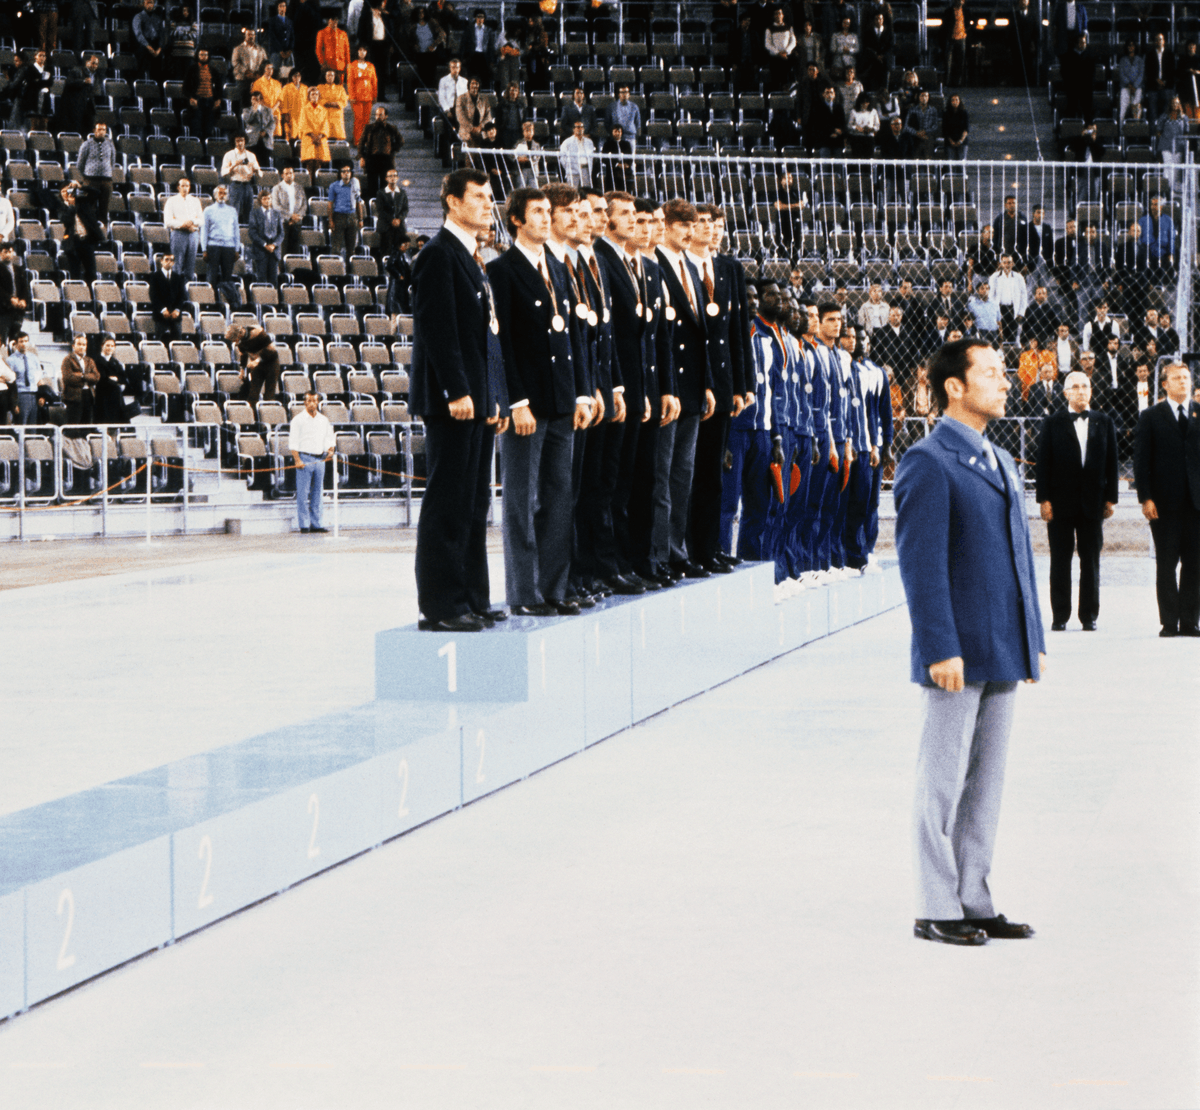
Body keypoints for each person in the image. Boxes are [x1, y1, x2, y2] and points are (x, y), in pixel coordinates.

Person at [894, 337, 1045, 947]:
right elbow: (920, 566)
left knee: (987, 780)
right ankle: (935, 904)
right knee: (942, 778)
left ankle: (974, 897)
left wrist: (1030, 638)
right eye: (989, 373)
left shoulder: (1000, 460)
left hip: (1002, 642)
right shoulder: (929, 461)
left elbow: (1018, 559)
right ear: (954, 386)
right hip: (956, 649)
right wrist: (938, 646)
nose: (1004, 382)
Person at [412, 167, 510, 632]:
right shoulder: (438, 255)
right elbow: (438, 330)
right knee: (448, 501)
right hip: (454, 399)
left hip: (477, 397)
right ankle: (441, 604)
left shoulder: (474, 256)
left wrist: (494, 397)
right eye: (478, 196)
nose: (488, 203)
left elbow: (486, 337)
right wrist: (458, 390)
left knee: (474, 502)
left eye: (490, 196)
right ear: (452, 202)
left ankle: (472, 595)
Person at [489, 187, 590, 616]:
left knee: (557, 497)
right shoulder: (503, 270)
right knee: (522, 500)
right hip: (527, 405)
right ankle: (524, 592)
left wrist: (581, 393)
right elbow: (503, 343)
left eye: (550, 212)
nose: (547, 218)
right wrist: (516, 401)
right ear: (516, 219)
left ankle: (554, 587)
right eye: (538, 212)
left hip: (561, 400)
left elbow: (571, 338)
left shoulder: (558, 268)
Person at [1036, 369, 1118, 631]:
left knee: (1090, 559)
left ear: (1091, 391)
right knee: (1060, 559)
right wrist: (1044, 499)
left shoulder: (1104, 422)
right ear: (1065, 393)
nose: (1081, 391)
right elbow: (1043, 463)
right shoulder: (1052, 422)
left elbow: (1112, 464)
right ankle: (1060, 615)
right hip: (1060, 502)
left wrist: (1111, 498)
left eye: (1085, 386)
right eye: (1076, 387)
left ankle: (1089, 615)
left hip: (1093, 502)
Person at [1134, 362, 1200, 637]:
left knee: (1195, 564)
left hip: (1196, 504)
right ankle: (1169, 622)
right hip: (1164, 503)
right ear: (1164, 384)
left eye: (1186, 377)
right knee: (1167, 562)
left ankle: (1190, 621)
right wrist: (1145, 498)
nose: (1183, 382)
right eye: (1177, 378)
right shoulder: (1151, 416)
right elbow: (1141, 461)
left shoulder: (1199, 414)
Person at [288, 389, 336, 532]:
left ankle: (317, 523)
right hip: (304, 458)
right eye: (309, 401)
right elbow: (293, 442)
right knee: (303, 493)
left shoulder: (323, 420)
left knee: (318, 492)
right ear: (305, 402)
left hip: (319, 459)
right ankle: (304, 524)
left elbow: (329, 437)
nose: (312, 404)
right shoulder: (298, 420)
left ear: (318, 402)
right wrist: (297, 460)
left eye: (314, 401)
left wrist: (330, 449)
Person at [201, 185, 241, 304]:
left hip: (229, 247)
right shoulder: (208, 210)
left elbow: (236, 231)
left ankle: (226, 303)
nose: (222, 195)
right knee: (212, 276)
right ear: (215, 195)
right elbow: (204, 230)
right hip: (213, 246)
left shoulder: (232, 210)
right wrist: (204, 249)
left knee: (227, 277)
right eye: (220, 193)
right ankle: (210, 302)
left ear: (227, 196)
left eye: (224, 193)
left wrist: (237, 248)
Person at [227, 322, 281, 408]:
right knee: (253, 394)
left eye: (235, 339)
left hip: (271, 363)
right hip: (257, 365)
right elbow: (243, 354)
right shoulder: (240, 340)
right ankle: (252, 418)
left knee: (269, 394)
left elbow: (271, 350)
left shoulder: (257, 332)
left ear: (240, 333)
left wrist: (257, 360)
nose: (235, 342)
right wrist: (242, 370)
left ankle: (269, 417)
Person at [60, 183, 104, 286]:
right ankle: (78, 297)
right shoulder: (63, 208)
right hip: (73, 242)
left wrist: (81, 186)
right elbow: (66, 220)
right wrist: (71, 206)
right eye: (67, 193)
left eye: (71, 192)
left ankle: (92, 296)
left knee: (91, 272)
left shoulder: (84, 203)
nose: (70, 195)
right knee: (75, 274)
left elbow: (96, 193)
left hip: (87, 241)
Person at [357, 105, 403, 201]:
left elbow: (401, 141)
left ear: (386, 116)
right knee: (372, 185)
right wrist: (362, 156)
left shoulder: (391, 128)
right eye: (376, 115)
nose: (378, 117)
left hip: (386, 160)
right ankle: (371, 207)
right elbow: (361, 142)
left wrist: (392, 149)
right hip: (372, 159)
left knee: (385, 185)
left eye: (380, 115)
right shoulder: (369, 128)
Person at [75, 121, 117, 225]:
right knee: (90, 208)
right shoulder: (86, 144)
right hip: (91, 180)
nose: (101, 132)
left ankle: (103, 233)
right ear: (94, 131)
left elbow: (113, 161)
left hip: (106, 181)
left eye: (103, 130)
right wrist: (87, 176)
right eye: (99, 130)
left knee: (104, 209)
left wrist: (106, 171)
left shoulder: (110, 144)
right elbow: (80, 164)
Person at [163, 178, 204, 281]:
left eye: (187, 186)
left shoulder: (195, 201)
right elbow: (168, 221)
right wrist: (183, 225)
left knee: (190, 265)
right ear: (178, 187)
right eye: (183, 186)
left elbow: (201, 220)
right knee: (177, 264)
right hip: (179, 233)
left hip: (193, 234)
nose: (185, 188)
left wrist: (191, 222)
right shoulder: (171, 201)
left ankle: (187, 290)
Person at [93, 334, 137, 424]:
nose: (110, 348)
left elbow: (123, 378)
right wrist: (115, 380)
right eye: (107, 345)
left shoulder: (115, 362)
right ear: (102, 346)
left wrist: (116, 379)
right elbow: (101, 378)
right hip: (102, 395)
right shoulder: (96, 360)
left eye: (112, 346)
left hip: (115, 395)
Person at [5, 333, 46, 425]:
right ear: (16, 344)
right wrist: (14, 403)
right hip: (20, 395)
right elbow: (10, 383)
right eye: (21, 341)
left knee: (33, 425)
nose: (24, 344)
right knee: (21, 425)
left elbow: (39, 378)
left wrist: (42, 395)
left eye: (26, 341)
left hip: (34, 395)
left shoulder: (34, 358)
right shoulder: (11, 360)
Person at [221, 134, 262, 224]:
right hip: (236, 185)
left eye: (242, 140)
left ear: (245, 141)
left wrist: (256, 170)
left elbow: (260, 173)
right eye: (237, 141)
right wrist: (234, 165)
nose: (240, 143)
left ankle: (246, 234)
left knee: (249, 212)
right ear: (234, 142)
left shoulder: (251, 155)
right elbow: (223, 172)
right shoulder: (229, 154)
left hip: (248, 185)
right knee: (234, 212)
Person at [61, 334, 101, 426]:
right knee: (74, 425)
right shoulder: (68, 360)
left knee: (86, 424)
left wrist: (82, 376)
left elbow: (96, 377)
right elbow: (68, 378)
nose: (82, 347)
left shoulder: (89, 360)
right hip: (74, 396)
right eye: (79, 344)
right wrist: (88, 377)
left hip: (89, 395)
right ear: (73, 346)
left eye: (84, 344)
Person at [328, 163, 364, 262]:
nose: (346, 174)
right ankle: (335, 272)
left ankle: (350, 273)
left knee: (351, 248)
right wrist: (330, 220)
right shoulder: (334, 186)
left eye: (348, 171)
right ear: (340, 174)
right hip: (339, 216)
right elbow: (330, 204)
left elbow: (358, 202)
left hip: (352, 216)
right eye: (343, 171)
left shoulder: (355, 185)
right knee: (336, 247)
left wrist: (360, 218)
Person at [149, 252, 188, 340]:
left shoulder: (178, 278)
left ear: (173, 263)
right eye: (166, 259)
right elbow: (154, 296)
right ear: (161, 261)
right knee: (160, 342)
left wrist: (177, 310)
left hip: (175, 316)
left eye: (171, 260)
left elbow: (181, 296)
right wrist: (163, 310)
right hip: (161, 315)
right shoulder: (154, 277)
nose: (169, 262)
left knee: (177, 343)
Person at [248, 189, 285, 283]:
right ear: (260, 200)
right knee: (262, 280)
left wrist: (274, 245)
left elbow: (281, 233)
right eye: (265, 199)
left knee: (274, 280)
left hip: (274, 251)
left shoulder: (277, 213)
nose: (267, 201)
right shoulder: (254, 213)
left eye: (269, 198)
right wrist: (264, 245)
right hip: (261, 250)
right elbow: (252, 233)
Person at [272, 164, 308, 258]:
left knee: (295, 251)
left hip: (297, 223)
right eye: (286, 173)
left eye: (291, 173)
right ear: (282, 175)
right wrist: (290, 216)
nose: (289, 175)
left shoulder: (299, 188)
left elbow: (304, 204)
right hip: (282, 223)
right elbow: (276, 206)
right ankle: (282, 272)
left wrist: (298, 217)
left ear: (294, 175)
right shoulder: (277, 188)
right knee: (282, 250)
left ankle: (294, 271)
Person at [374, 167, 409, 258]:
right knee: (387, 250)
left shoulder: (402, 193)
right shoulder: (381, 193)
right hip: (386, 225)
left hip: (399, 225)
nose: (392, 178)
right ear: (386, 178)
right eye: (390, 176)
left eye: (394, 176)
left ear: (397, 178)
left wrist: (399, 219)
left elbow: (405, 209)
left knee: (400, 249)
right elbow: (380, 210)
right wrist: (391, 220)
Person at [346, 44, 377, 144]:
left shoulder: (371, 66)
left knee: (366, 120)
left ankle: (365, 141)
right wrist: (351, 96)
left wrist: (375, 95)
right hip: (357, 96)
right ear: (357, 52)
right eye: (360, 50)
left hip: (368, 96)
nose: (362, 52)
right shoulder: (352, 65)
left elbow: (374, 81)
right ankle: (357, 141)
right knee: (358, 119)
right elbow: (350, 82)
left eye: (364, 50)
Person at [299, 85, 332, 176]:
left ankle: (317, 184)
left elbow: (325, 125)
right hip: (309, 138)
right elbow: (304, 123)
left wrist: (320, 136)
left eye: (316, 94)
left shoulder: (324, 110)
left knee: (319, 163)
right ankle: (310, 186)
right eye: (312, 94)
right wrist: (313, 136)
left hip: (320, 139)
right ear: (309, 96)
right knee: (309, 164)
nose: (314, 96)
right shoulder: (304, 109)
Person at [0, 243, 30, 342]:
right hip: (3, 311)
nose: (8, 254)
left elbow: (24, 287)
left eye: (10, 252)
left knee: (15, 340)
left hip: (17, 311)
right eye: (5, 252)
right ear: (1, 254)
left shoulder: (18, 269)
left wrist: (23, 300)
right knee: (3, 339)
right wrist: (9, 298)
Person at [133, 0, 168, 81]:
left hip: (155, 44)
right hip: (144, 45)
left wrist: (159, 48)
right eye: (147, 2)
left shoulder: (157, 18)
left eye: (151, 3)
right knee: (141, 67)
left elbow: (162, 34)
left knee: (159, 70)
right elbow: (138, 34)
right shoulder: (138, 17)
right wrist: (149, 47)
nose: (149, 5)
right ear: (143, 4)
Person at [242, 91, 276, 166]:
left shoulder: (268, 110)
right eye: (252, 99)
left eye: (256, 99)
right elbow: (248, 120)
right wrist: (254, 110)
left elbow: (272, 123)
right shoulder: (246, 110)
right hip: (252, 141)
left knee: (265, 165)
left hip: (265, 142)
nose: (254, 101)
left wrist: (265, 132)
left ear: (261, 100)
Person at [316, 15, 351, 83]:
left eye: (336, 20)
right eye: (332, 20)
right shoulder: (322, 33)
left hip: (341, 66)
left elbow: (347, 50)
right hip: (329, 65)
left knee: (340, 88)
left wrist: (348, 63)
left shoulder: (343, 34)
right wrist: (323, 63)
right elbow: (319, 50)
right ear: (328, 20)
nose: (335, 22)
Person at [559, 120, 595, 188]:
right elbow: (562, 159)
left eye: (582, 127)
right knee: (573, 192)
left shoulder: (589, 142)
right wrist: (569, 168)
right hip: (572, 171)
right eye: (578, 127)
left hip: (585, 170)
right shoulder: (567, 142)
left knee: (585, 192)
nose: (580, 129)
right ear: (573, 129)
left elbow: (591, 157)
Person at [319, 68, 350, 145]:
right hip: (324, 115)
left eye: (332, 75)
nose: (330, 77)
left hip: (336, 117)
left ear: (335, 77)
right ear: (325, 77)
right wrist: (325, 103)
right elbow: (317, 99)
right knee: (324, 137)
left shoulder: (340, 88)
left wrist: (335, 104)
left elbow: (344, 101)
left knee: (335, 138)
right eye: (328, 75)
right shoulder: (319, 87)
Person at [280, 68, 308, 142]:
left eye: (298, 76)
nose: (297, 78)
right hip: (290, 115)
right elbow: (283, 101)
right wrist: (285, 114)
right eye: (295, 76)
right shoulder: (286, 88)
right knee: (291, 135)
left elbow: (307, 102)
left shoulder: (305, 88)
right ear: (291, 77)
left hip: (302, 116)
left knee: (302, 137)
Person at [943, 92, 969, 160]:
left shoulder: (964, 113)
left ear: (959, 101)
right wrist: (951, 141)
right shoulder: (946, 114)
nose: (955, 102)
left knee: (961, 164)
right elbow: (945, 129)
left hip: (962, 141)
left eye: (957, 100)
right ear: (950, 102)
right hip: (949, 142)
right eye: (953, 100)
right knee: (950, 165)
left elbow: (966, 128)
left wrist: (961, 140)